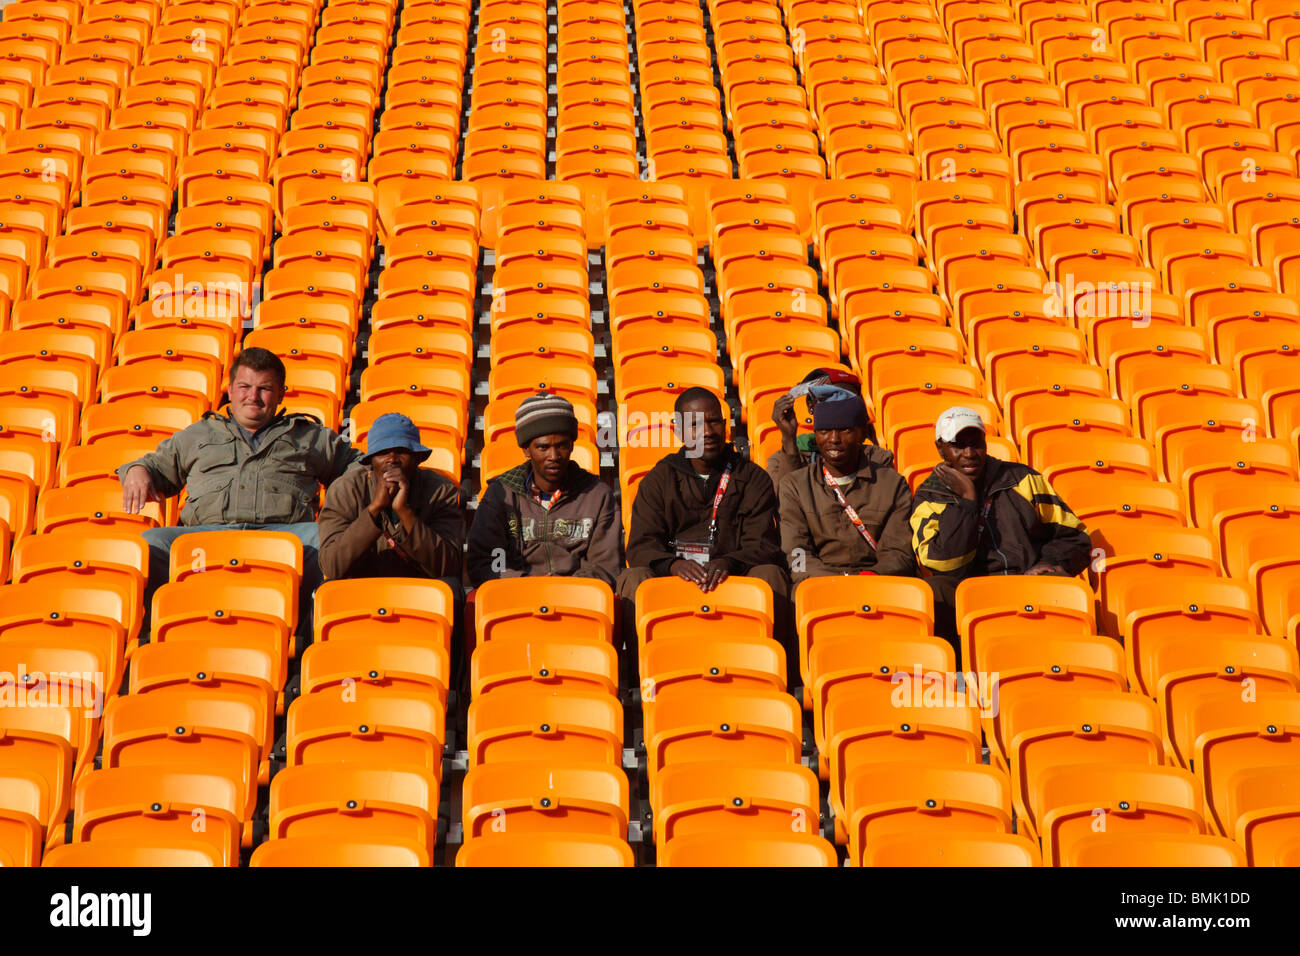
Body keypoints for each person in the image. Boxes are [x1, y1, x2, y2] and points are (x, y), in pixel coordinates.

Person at [118, 347, 361, 636]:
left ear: (281, 393)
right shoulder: (198, 434)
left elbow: (357, 466)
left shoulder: (309, 437)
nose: (253, 397)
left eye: (265, 389)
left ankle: (308, 637)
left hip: (284, 536)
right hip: (206, 535)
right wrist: (136, 471)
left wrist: (349, 500)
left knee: (328, 540)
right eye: (245, 387)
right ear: (230, 389)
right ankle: (155, 633)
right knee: (150, 543)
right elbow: (155, 467)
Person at [910, 406, 1092, 646]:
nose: (969, 453)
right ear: (941, 449)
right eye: (958, 445)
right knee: (934, 590)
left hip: (1026, 583)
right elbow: (943, 562)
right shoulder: (930, 494)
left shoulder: (1022, 478)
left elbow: (1074, 536)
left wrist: (1048, 562)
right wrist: (967, 502)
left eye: (975, 443)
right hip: (971, 592)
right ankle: (958, 670)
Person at [618, 387, 789, 640]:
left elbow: (763, 544)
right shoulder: (658, 479)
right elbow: (641, 546)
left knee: (770, 574)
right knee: (633, 577)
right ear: (679, 431)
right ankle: (639, 675)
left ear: (724, 425)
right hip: (674, 579)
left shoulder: (752, 478)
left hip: (732, 576)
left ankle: (776, 666)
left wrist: (728, 562)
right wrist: (673, 565)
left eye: (713, 422)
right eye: (696, 424)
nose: (707, 432)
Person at [466, 392, 622, 587]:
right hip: (515, 597)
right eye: (543, 447)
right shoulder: (501, 494)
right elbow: (485, 562)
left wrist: (562, 586)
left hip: (579, 598)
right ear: (526, 449)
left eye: (562, 446)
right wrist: (528, 584)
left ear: (572, 445)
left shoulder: (598, 495)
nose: (554, 456)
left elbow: (606, 567)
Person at [778, 393, 916, 583]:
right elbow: (797, 552)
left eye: (844, 430)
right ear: (815, 434)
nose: (834, 439)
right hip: (818, 584)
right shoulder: (795, 486)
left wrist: (869, 578)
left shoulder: (892, 484)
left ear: (861, 434)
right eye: (824, 430)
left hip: (878, 582)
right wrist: (836, 581)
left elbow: (898, 552)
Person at [317, 412, 463, 583]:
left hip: (421, 591)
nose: (392, 460)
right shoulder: (346, 489)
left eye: (402, 452)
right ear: (370, 462)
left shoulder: (440, 490)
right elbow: (332, 566)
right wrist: (374, 509)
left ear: (418, 458)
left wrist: (404, 512)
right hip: (360, 591)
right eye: (383, 453)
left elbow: (448, 566)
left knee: (451, 588)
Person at [767, 366, 893, 487]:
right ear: (811, 405)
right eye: (830, 399)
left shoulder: (877, 458)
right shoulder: (782, 459)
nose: (840, 408)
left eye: (849, 400)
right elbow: (782, 501)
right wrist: (789, 440)